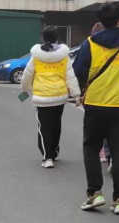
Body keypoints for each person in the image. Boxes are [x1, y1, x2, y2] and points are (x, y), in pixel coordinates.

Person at [72, 2, 119, 215]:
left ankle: (94, 194)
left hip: (96, 105)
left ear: (101, 21)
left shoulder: (89, 44)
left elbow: (78, 73)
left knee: (91, 148)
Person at [20, 27, 81, 168]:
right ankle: (54, 152)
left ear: (44, 38)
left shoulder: (36, 57)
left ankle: (47, 158)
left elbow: (27, 76)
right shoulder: (64, 56)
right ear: (57, 38)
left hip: (42, 97)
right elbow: (70, 76)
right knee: (56, 125)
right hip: (59, 96)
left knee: (44, 127)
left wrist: (24, 91)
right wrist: (76, 95)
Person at [90, 21, 112, 170]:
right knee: (112, 128)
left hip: (96, 95)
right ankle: (111, 154)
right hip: (115, 94)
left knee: (97, 128)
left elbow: (81, 71)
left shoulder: (90, 46)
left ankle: (101, 153)